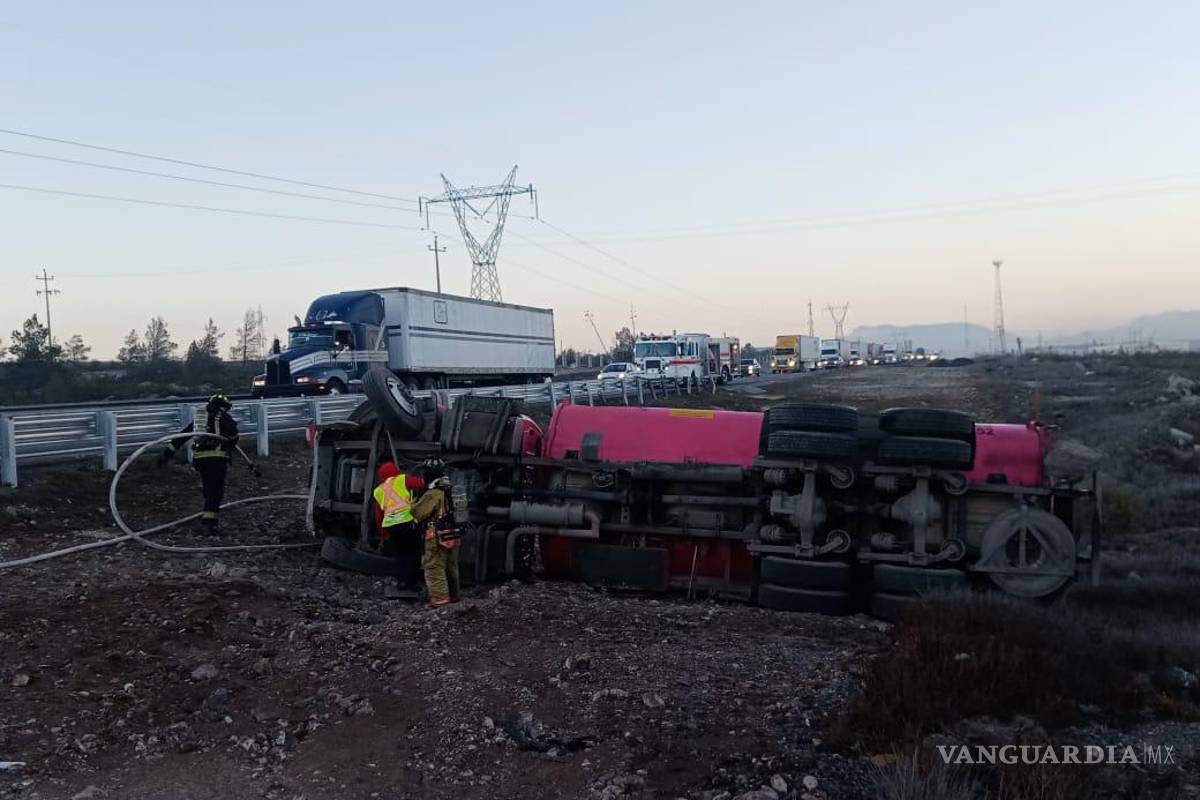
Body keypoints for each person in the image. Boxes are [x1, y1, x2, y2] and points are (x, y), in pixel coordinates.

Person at [160, 392, 239, 530]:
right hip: (217, 459)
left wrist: (167, 453)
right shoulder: (224, 418)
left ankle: (208, 514)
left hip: (200, 460)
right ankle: (209, 523)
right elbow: (234, 435)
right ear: (224, 407)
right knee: (216, 491)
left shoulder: (200, 420)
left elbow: (183, 436)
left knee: (209, 488)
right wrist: (229, 441)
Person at [411, 458, 460, 606]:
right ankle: (454, 596)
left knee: (434, 566)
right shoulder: (452, 489)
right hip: (453, 534)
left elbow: (417, 513)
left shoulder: (433, 493)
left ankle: (440, 599)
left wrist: (414, 500)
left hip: (436, 536)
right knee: (451, 566)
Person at [372, 461, 424, 598]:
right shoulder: (402, 480)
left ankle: (401, 582)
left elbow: (378, 516)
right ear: (396, 471)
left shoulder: (379, 490)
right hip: (406, 523)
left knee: (400, 555)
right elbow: (420, 484)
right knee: (413, 553)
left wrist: (383, 535)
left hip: (391, 526)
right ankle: (411, 584)